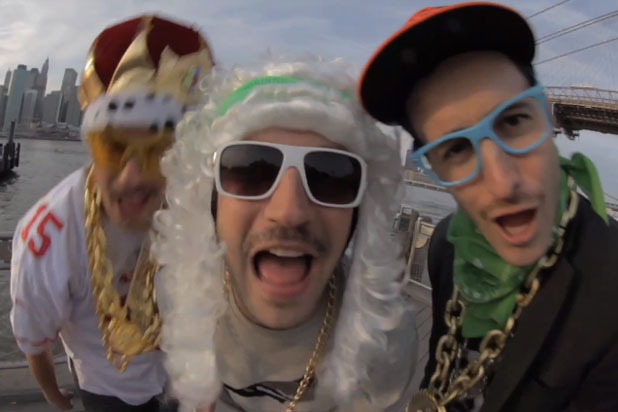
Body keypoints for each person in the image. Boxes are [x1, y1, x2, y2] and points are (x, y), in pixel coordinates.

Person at [359, 2, 618, 411]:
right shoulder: (446, 247)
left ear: (546, 117)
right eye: (456, 148)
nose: (503, 183)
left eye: (513, 122)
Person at [150, 57, 418, 411]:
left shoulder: (387, 341)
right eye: (250, 171)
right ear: (209, 199)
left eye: (330, 176)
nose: (289, 212)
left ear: (360, 212)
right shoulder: (173, 293)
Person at [10, 15, 214, 411]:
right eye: (114, 147)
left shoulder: (210, 209)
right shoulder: (48, 236)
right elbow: (35, 340)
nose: (131, 177)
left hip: (182, 381)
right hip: (104, 390)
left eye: (158, 150)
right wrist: (55, 397)